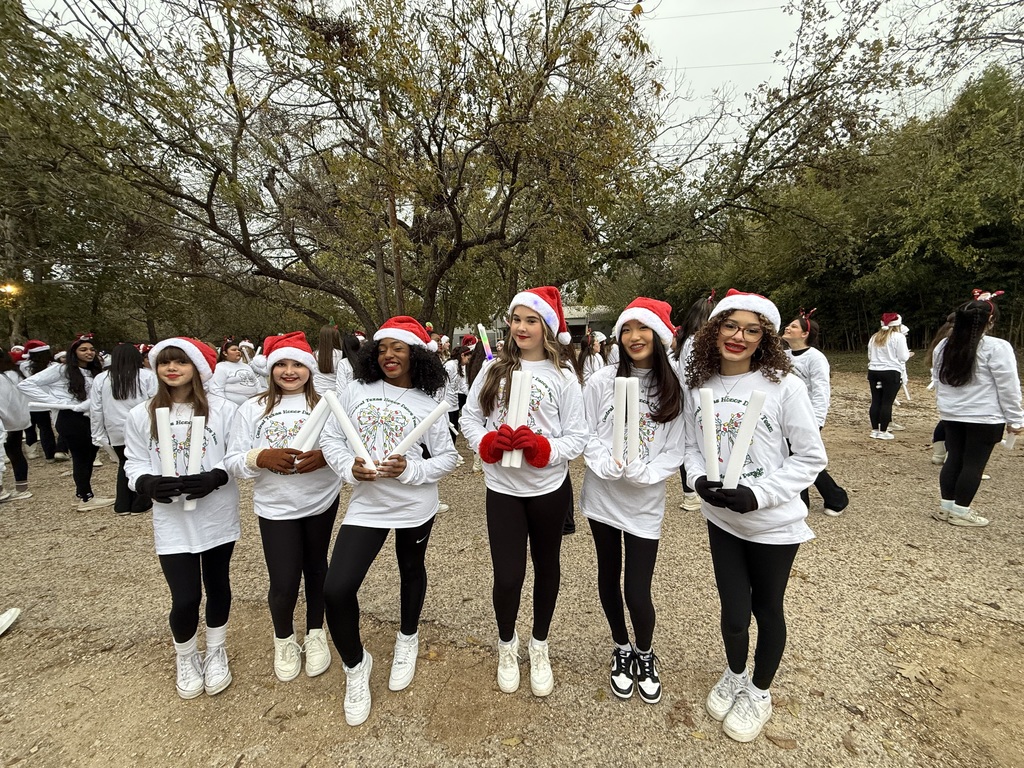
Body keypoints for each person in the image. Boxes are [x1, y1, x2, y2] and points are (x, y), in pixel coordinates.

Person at [682, 289, 826, 743]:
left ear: (765, 336)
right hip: (722, 518)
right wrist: (697, 477)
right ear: (714, 329)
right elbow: (691, 444)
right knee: (732, 613)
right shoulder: (699, 385)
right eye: (729, 326)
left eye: (751, 329)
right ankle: (735, 672)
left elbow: (809, 456)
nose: (738, 337)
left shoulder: (785, 386)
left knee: (766, 609)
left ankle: (759, 692)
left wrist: (760, 495)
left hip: (772, 523)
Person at [320, 316, 458, 727]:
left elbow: (449, 458)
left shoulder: (428, 402)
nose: (388, 356)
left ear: (416, 354)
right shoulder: (353, 391)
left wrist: (411, 471)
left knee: (410, 569)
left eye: (398, 348)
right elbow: (331, 438)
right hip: (367, 504)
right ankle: (356, 665)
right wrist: (349, 467)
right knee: (336, 588)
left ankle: (407, 638)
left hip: (415, 505)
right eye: (381, 349)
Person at [461, 286, 588, 699]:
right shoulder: (493, 369)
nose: (520, 327)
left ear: (547, 326)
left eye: (530, 320)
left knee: (547, 567)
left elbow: (578, 435)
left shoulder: (563, 376)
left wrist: (544, 448)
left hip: (548, 489)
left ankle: (540, 644)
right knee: (508, 575)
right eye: (515, 319)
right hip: (502, 489)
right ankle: (506, 645)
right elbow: (468, 418)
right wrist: (485, 443)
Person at [580, 298, 685, 705]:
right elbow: (585, 430)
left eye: (643, 329)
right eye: (627, 329)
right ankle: (621, 648)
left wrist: (651, 472)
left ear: (658, 335)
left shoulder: (674, 383)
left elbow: (678, 447)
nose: (634, 337)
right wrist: (601, 459)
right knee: (608, 574)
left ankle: (645, 651)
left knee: (637, 588)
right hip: (603, 496)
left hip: (644, 502)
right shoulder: (602, 380)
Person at [123, 337, 240, 699]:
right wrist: (146, 482)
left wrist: (215, 477)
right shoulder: (141, 414)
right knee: (186, 596)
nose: (171, 369)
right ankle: (186, 655)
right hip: (172, 519)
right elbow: (135, 460)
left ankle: (216, 649)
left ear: (197, 369)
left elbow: (236, 453)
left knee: (218, 584)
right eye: (164, 363)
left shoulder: (223, 410)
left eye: (181, 362)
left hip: (215, 513)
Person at [225, 332, 342, 682]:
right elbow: (231, 461)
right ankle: (284, 638)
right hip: (275, 506)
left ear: (309, 368)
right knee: (284, 578)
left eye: (297, 364)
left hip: (320, 500)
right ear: (270, 369)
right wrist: (260, 456)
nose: (289, 371)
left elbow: (346, 450)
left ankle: (316, 633)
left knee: (318, 568)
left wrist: (325, 458)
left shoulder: (328, 405)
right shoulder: (252, 408)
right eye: (281, 365)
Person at [931, 292, 1023, 527]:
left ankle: (946, 507)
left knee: (955, 459)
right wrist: (1015, 418)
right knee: (973, 463)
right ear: (990, 322)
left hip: (952, 414)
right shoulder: (997, 347)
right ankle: (961, 511)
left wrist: (945, 407)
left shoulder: (943, 345)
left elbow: (938, 379)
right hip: (984, 416)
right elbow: (1008, 385)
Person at [18, 334, 114, 511]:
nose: (89, 353)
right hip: (70, 418)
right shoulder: (62, 370)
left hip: (90, 417)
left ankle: (84, 493)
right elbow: (26, 385)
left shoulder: (95, 371)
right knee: (81, 457)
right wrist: (55, 402)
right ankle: (86, 497)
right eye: (83, 349)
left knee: (90, 455)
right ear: (74, 352)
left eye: (92, 349)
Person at [782, 310, 850, 517]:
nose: (788, 327)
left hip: (807, 416)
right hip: (785, 415)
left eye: (794, 326)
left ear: (804, 333)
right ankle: (803, 501)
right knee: (790, 457)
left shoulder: (816, 358)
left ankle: (836, 497)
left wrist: (817, 418)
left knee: (802, 457)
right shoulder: (784, 356)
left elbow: (821, 390)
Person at [90, 344, 158, 515]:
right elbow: (155, 402)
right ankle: (140, 502)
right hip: (142, 427)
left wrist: (97, 433)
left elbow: (95, 408)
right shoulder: (147, 376)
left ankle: (122, 504)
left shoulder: (102, 378)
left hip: (115, 428)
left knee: (124, 463)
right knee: (145, 462)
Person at [674, 292, 717, 512]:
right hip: (697, 399)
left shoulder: (686, 341)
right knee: (694, 445)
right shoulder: (696, 342)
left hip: (691, 397)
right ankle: (692, 492)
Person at [866, 313, 912, 439]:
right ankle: (884, 431)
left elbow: (870, 356)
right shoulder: (898, 337)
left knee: (876, 400)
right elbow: (903, 357)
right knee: (887, 402)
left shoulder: (874, 337)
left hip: (874, 371)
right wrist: (908, 355)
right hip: (891, 372)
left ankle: (875, 429)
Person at [20, 340, 62, 461]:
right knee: (46, 429)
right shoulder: (53, 366)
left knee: (30, 428)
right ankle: (50, 454)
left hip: (30, 402)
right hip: (49, 401)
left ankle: (31, 451)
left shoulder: (24, 366)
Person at [0, 350, 33, 500]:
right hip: (18, 418)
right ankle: (22, 488)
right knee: (16, 452)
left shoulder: (2, 377)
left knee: (9, 453)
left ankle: (2, 490)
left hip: (5, 420)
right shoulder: (15, 374)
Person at [208, 337, 264, 405]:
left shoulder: (246, 366)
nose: (238, 351)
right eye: (234, 350)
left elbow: (256, 382)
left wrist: (261, 397)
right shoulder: (220, 367)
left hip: (253, 404)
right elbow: (216, 389)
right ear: (225, 353)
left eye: (239, 350)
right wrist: (226, 405)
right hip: (232, 405)